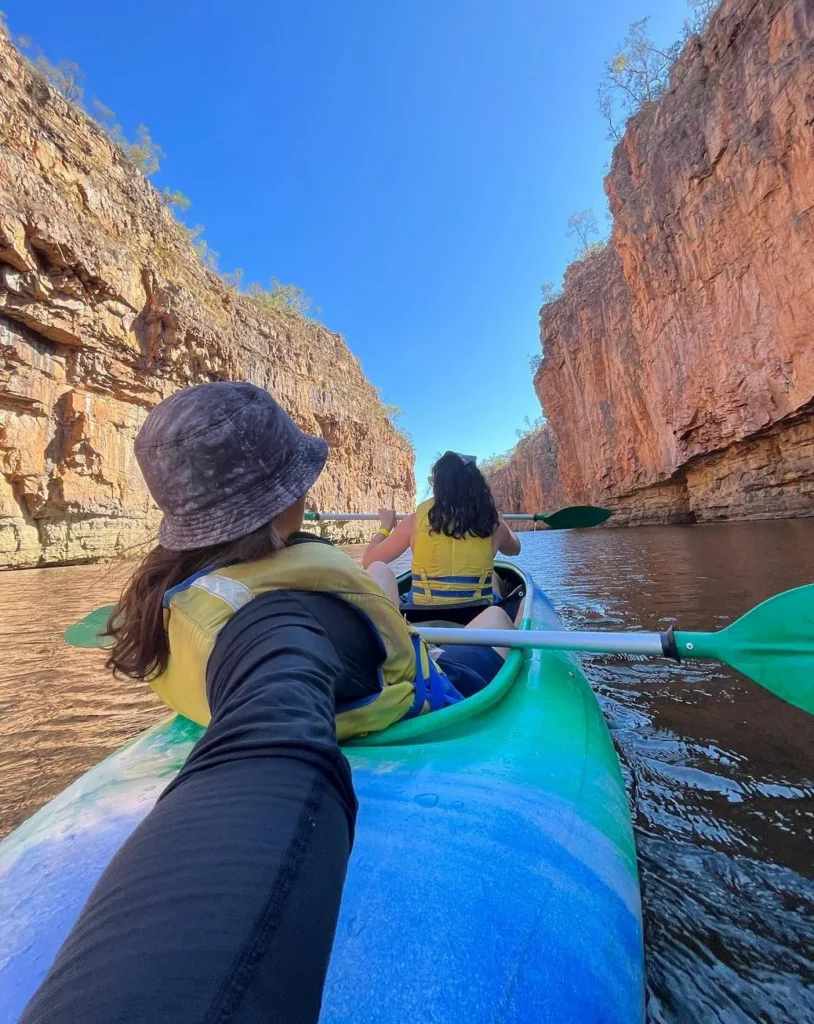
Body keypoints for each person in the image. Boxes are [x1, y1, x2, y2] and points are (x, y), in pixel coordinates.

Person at [361, 450, 522, 698]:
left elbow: (369, 560)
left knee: (379, 569)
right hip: (474, 618)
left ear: (438, 486)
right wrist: (500, 523)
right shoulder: (493, 522)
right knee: (500, 589)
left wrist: (385, 527)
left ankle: (390, 649)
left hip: (418, 619)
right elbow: (515, 550)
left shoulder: (414, 521)